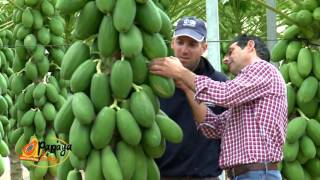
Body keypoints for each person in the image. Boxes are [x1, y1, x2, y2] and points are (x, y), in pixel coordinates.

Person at [149, 34, 287, 180]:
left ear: (250, 46)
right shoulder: (247, 95)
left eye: (231, 51)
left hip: (257, 174)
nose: (225, 59)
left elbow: (225, 94)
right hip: (245, 174)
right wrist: (187, 88)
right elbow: (214, 127)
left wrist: (181, 72)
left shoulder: (263, 69)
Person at [155, 16, 228, 180]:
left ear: (204, 47)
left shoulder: (219, 83)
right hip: (163, 175)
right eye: (180, 42)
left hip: (204, 176)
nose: (184, 50)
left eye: (192, 44)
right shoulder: (155, 82)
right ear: (172, 43)